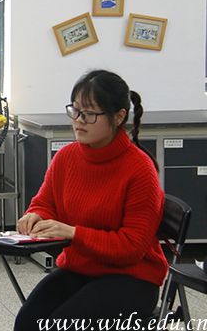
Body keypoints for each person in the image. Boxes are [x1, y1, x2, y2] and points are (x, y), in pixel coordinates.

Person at [14, 70, 168, 330]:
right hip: (81, 269)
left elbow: (132, 248)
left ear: (118, 117)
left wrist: (74, 233)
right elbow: (45, 202)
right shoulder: (66, 157)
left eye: (89, 114)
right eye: (75, 111)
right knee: (27, 322)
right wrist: (35, 215)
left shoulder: (140, 170)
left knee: (61, 326)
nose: (78, 121)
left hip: (132, 278)